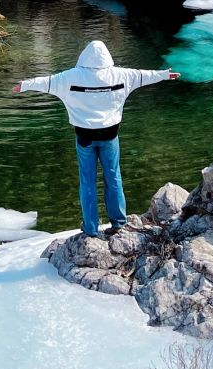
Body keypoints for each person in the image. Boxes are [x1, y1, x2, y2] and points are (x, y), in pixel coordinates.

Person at [13, 40, 180, 237]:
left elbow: (45, 82)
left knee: (87, 181)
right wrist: (164, 75)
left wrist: (24, 85)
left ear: (84, 55)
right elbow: (144, 75)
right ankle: (118, 223)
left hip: (85, 137)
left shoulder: (70, 77)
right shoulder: (121, 75)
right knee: (113, 177)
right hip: (110, 136)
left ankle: (91, 228)